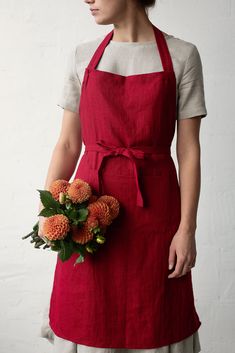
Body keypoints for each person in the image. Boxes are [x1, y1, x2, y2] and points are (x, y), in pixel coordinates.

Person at [38, 0, 208, 352]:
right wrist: (51, 211)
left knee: (157, 319)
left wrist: (186, 229)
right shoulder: (82, 56)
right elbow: (69, 144)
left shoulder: (182, 55)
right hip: (89, 214)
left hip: (156, 215)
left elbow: (189, 150)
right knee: (88, 316)